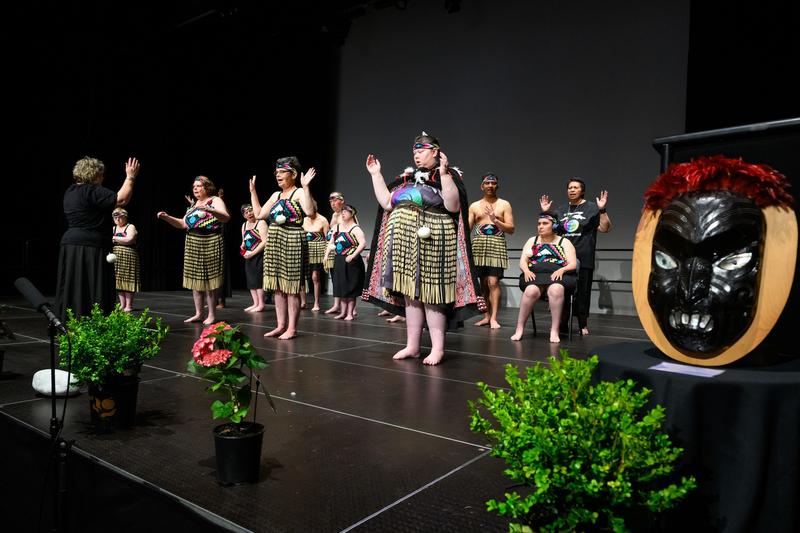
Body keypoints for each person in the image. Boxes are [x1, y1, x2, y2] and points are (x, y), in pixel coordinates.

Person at [364, 132, 484, 365]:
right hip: (403, 243)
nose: (417, 155)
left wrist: (444, 174)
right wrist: (376, 174)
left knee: (432, 294)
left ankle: (437, 348)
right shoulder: (406, 178)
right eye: (415, 151)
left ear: (435, 151)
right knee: (410, 295)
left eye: (421, 151)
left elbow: (452, 206)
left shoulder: (449, 175)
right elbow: (388, 203)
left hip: (434, 241)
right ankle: (413, 345)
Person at [55, 156, 141, 320]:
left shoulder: (70, 191)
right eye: (102, 174)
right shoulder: (91, 190)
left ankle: (72, 320)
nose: (103, 178)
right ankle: (94, 321)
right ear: (95, 174)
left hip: (70, 245)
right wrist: (130, 176)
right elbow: (121, 199)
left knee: (74, 286)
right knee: (93, 286)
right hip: (91, 246)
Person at [249, 158, 317, 339]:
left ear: (293, 174)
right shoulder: (275, 196)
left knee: (291, 287)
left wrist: (307, 187)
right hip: (275, 239)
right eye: (276, 172)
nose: (277, 175)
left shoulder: (300, 192)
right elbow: (259, 215)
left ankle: (292, 328)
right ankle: (280, 326)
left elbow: (310, 212)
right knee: (278, 287)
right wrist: (253, 192)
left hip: (293, 238)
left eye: (281, 172)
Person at [540, 178, 610, 335]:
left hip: (584, 255)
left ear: (582, 191)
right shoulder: (560, 210)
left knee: (582, 292)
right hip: (562, 257)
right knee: (562, 289)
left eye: (576, 187)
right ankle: (561, 322)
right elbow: (548, 232)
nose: (572, 190)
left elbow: (605, 228)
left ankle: (582, 324)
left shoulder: (592, 208)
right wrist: (546, 213)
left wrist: (602, 210)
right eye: (570, 187)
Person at [157, 175, 230, 324]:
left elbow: (226, 217)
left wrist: (210, 209)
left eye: (198, 186)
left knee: (210, 281)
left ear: (207, 187)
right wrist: (167, 217)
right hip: (193, 242)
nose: (195, 188)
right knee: (195, 281)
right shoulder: (194, 205)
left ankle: (211, 315)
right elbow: (183, 224)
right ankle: (198, 313)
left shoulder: (215, 200)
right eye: (194, 186)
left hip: (210, 241)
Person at [510, 212, 578, 343]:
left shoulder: (564, 242)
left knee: (556, 289)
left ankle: (554, 330)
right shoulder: (532, 240)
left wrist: (562, 269)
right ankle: (519, 329)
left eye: (545, 223)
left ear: (554, 225)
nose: (540, 226)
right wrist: (526, 271)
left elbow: (573, 264)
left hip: (559, 275)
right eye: (539, 223)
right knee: (530, 291)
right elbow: (522, 261)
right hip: (535, 275)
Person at [468, 173, 515, 329]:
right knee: (483, 285)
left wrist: (495, 220)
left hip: (497, 245)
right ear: (482, 186)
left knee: (493, 282)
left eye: (493, 183)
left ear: (497, 186)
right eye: (487, 183)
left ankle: (494, 318)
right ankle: (486, 316)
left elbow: (511, 229)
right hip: (479, 246)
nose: (490, 186)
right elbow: (467, 229)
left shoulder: (504, 204)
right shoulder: (474, 206)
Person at [324, 204, 366, 320]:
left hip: (352, 261)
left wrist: (352, 255)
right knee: (341, 287)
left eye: (345, 211)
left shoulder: (355, 228)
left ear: (352, 214)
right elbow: (331, 242)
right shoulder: (337, 227)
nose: (343, 213)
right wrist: (326, 255)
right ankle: (342, 312)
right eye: (342, 211)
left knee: (350, 288)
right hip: (339, 260)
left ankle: (349, 313)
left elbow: (363, 244)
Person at [111, 207, 140, 312]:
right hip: (116, 256)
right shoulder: (114, 228)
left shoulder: (130, 226)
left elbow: (129, 239)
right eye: (115, 216)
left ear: (125, 217)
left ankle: (129, 305)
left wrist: (114, 238)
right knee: (119, 281)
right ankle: (122, 304)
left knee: (128, 280)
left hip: (128, 255)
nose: (117, 219)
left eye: (119, 216)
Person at [239, 204, 267, 312]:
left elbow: (265, 241)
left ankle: (261, 304)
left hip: (259, 254)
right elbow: (244, 240)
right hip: (249, 255)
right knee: (251, 280)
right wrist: (243, 245)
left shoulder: (261, 222)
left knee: (258, 280)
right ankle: (255, 303)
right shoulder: (244, 225)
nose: (249, 213)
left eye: (250, 210)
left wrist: (253, 253)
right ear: (244, 215)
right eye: (246, 212)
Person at [302, 201, 329, 311]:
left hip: (318, 250)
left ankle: (316, 302)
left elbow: (328, 239)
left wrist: (326, 254)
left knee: (315, 276)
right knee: (302, 277)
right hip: (305, 249)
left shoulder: (323, 220)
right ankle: (303, 302)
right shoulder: (303, 220)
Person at [324, 191, 345, 315]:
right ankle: (336, 305)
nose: (332, 203)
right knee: (335, 278)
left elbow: (355, 227)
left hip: (341, 250)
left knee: (342, 278)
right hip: (332, 248)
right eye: (330, 201)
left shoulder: (346, 213)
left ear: (341, 200)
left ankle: (349, 307)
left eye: (334, 200)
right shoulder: (334, 215)